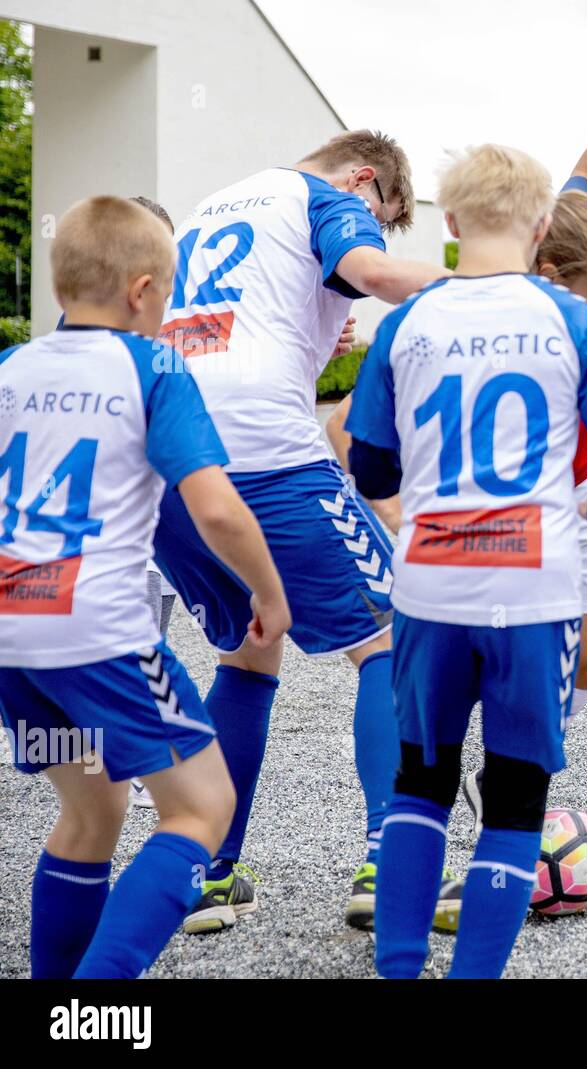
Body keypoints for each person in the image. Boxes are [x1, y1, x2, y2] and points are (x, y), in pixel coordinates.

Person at [325, 61, 587, 851]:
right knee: (493, 669)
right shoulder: (507, 305)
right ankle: (502, 792)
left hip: (583, 517)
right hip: (515, 523)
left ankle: (509, 775)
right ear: (546, 262)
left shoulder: (569, 227)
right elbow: (348, 428)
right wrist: (391, 507)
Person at [346, 143, 587, 979]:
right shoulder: (573, 319)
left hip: (430, 587)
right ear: (541, 225)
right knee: (514, 800)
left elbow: (369, 468)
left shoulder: (408, 321)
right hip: (534, 587)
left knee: (421, 784)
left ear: (448, 223)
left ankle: (399, 967)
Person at [151, 130, 447, 933]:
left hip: (168, 464)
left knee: (249, 648)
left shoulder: (213, 205)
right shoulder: (326, 198)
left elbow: (234, 323)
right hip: (262, 454)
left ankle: (207, 872)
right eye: (381, 215)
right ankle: (394, 859)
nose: (373, 232)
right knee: (394, 635)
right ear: (363, 181)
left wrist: (321, 329)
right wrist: (493, 285)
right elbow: (380, 276)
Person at [0, 196, 290, 976]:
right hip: (98, 630)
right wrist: (266, 592)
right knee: (202, 806)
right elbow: (217, 508)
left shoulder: (11, 367)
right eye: (168, 290)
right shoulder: (155, 366)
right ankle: (91, 1016)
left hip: (13, 629)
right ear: (141, 291)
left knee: (92, 810)